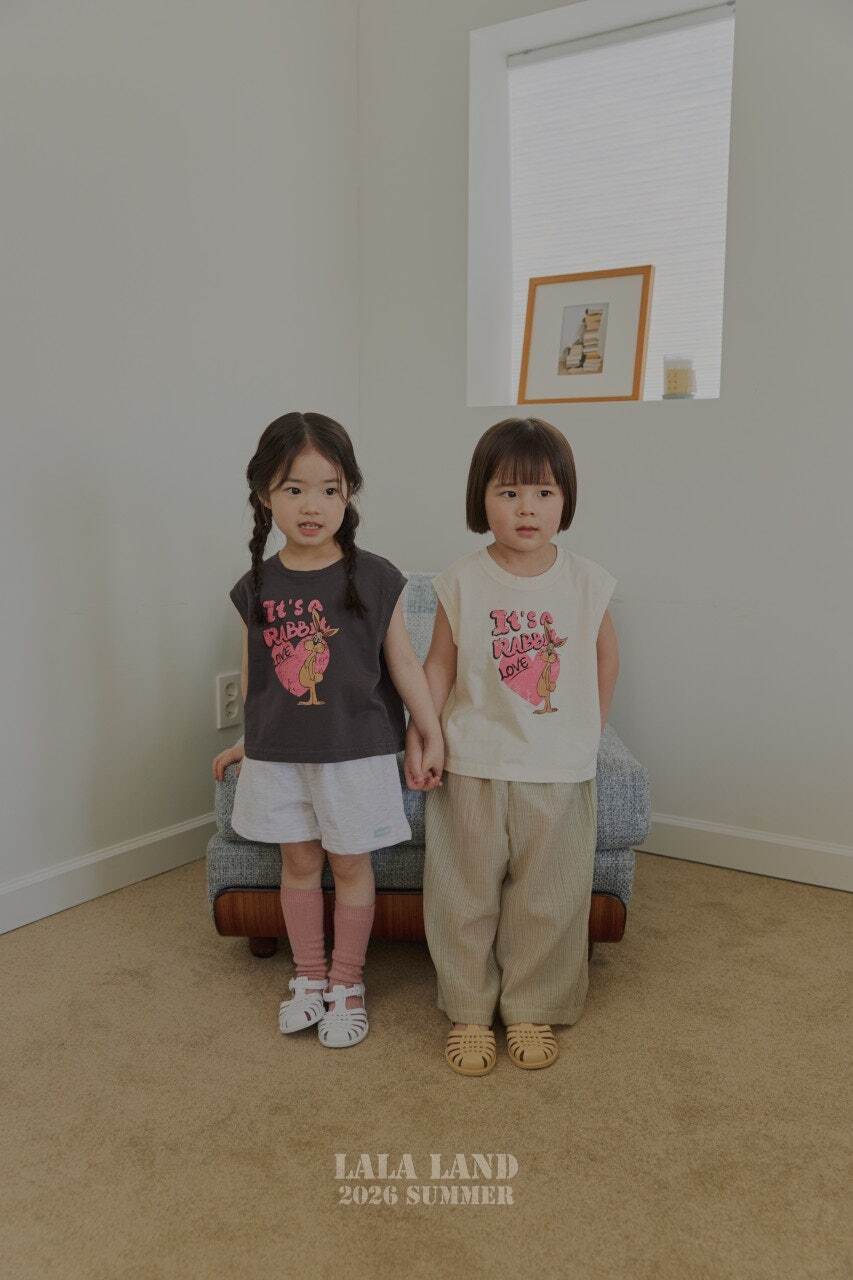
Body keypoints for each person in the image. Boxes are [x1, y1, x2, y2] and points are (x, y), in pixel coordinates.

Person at [213, 411, 443, 1049]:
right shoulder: (255, 586)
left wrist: (429, 732)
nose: (312, 505)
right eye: (294, 489)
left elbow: (404, 664)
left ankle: (347, 981)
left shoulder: (376, 577)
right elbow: (257, 675)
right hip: (279, 756)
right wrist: (249, 739)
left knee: (349, 863)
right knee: (297, 861)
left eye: (329, 489)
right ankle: (309, 975)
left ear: (349, 494)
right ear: (265, 496)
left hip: (355, 753)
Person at [406, 417, 620, 1076]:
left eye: (543, 493)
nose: (527, 508)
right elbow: (439, 666)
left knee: (548, 898)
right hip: (473, 763)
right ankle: (469, 1007)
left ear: (565, 500)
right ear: (481, 499)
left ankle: (532, 1004)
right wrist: (424, 733)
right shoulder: (461, 580)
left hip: (557, 770)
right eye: (508, 492)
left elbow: (604, 659)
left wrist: (586, 731)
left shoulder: (587, 582)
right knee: (462, 895)